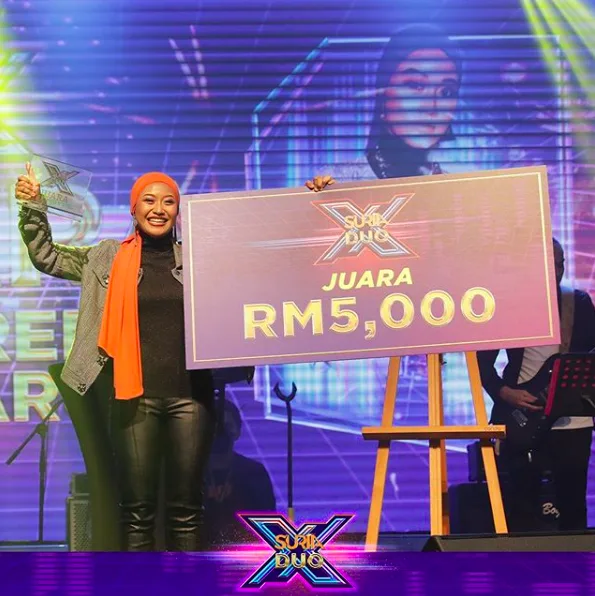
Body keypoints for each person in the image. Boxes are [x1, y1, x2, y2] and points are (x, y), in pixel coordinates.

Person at [15, 163, 216, 551]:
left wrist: (314, 200)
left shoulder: (198, 259)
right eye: (149, 200)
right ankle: (139, 583)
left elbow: (254, 264)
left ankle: (189, 582)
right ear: (133, 208)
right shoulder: (107, 257)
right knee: (137, 512)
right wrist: (34, 206)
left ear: (178, 210)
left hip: (191, 398)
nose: (159, 209)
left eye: (169, 201)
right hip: (132, 398)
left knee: (187, 510)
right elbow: (48, 257)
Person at [477, 238, 595, 532]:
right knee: (522, 507)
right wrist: (506, 394)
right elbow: (481, 364)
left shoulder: (578, 302)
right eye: (550, 264)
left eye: (561, 264)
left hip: (573, 421)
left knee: (572, 507)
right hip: (522, 418)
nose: (557, 271)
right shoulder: (508, 306)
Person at [204, 399, 276, 548]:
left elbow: (268, 527)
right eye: (213, 427)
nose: (219, 433)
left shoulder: (254, 473)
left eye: (226, 427)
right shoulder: (188, 474)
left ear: (237, 431)